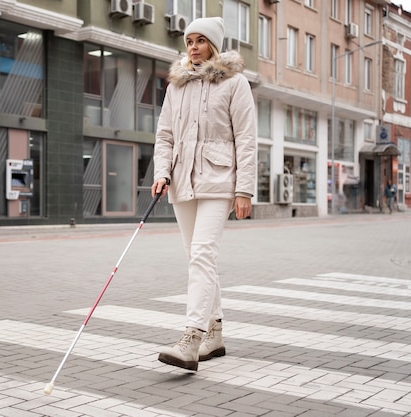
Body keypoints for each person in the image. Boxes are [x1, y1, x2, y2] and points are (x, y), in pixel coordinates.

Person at [151, 16, 257, 371]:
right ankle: (216, 333)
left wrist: (244, 190)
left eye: (200, 40)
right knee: (198, 259)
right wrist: (162, 172)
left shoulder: (235, 83)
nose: (193, 47)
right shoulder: (176, 86)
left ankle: (191, 339)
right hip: (182, 181)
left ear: (213, 44)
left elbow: (246, 139)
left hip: (219, 181)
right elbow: (165, 135)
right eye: (189, 41)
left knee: (201, 254)